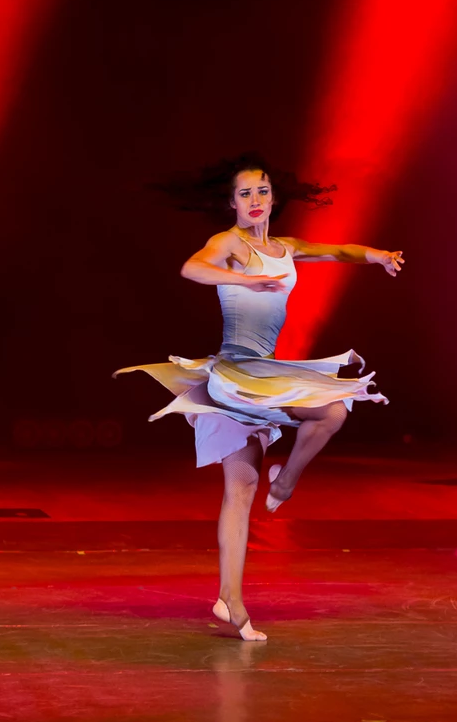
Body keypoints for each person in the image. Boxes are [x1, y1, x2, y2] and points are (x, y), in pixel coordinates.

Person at [116, 155, 404, 641]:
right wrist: (245, 279)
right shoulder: (229, 243)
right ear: (232, 202)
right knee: (312, 426)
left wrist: (377, 255)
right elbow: (192, 268)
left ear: (274, 199)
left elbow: (338, 251)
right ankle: (268, 522)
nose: (254, 200)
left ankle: (241, 574)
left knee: (277, 459)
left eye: (262, 191)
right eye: (245, 193)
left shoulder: (287, 248)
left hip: (265, 373)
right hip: (237, 373)